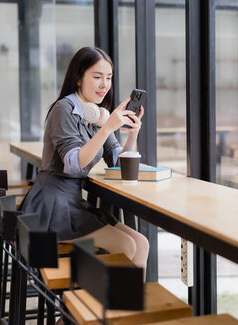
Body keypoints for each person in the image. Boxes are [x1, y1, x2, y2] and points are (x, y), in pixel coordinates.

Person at [20, 46, 149, 275]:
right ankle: (105, 307)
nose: (104, 84)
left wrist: (132, 134)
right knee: (127, 245)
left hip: (72, 203)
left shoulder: (96, 113)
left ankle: (125, 309)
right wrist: (107, 127)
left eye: (108, 78)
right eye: (97, 77)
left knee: (141, 243)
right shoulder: (64, 109)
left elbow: (117, 162)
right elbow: (73, 164)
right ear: (78, 78)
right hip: (51, 206)